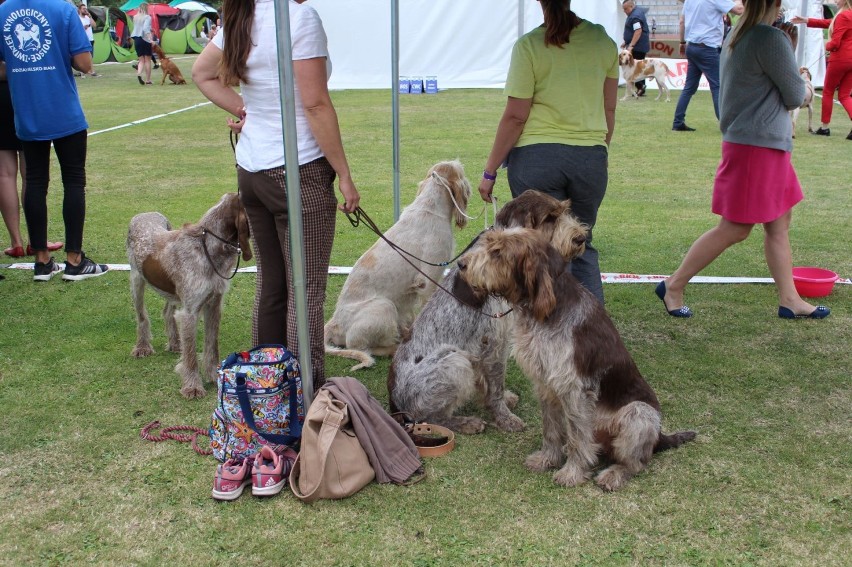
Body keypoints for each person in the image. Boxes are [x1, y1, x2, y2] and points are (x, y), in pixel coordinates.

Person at [192, 0, 360, 389]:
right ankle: (305, 394)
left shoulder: (243, 13)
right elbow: (316, 104)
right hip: (296, 169)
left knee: (273, 285)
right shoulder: (300, 18)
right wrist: (345, 175)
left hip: (253, 171)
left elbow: (203, 73)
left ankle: (266, 388)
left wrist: (249, 111)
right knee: (305, 292)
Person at [656, 0, 830, 321]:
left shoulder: (737, 33)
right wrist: (804, 79)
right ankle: (673, 285)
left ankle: (789, 298)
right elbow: (795, 96)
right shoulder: (769, 38)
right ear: (776, 4)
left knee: (779, 224)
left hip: (758, 145)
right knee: (734, 229)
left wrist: (786, 54)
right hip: (756, 148)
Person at [478, 0, 618, 305]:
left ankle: (542, 326)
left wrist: (489, 172)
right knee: (582, 244)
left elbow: (516, 116)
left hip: (537, 158)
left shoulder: (528, 46)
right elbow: (609, 108)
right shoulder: (602, 41)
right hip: (590, 157)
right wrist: (597, 150)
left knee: (536, 248)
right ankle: (590, 326)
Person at [0, 0, 108, 282]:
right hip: (63, 110)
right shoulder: (63, 9)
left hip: (26, 111)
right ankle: (74, 261)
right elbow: (85, 64)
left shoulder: (2, 12)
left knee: (34, 182)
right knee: (73, 180)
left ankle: (42, 261)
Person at [672, 0, 744, 131]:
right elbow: (739, 10)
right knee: (717, 86)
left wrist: (682, 42)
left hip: (692, 45)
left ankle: (677, 121)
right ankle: (724, 123)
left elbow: (682, 21)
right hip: (708, 47)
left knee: (689, 87)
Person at [791, 0, 852, 139]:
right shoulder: (847, 15)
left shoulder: (843, 16)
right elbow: (830, 23)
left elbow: (835, 42)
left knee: (828, 92)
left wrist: (828, 46)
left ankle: (825, 127)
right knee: (844, 95)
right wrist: (806, 20)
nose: (835, 1)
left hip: (840, 59)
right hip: (851, 60)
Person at [622, 0, 651, 96]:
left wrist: (631, 46)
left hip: (638, 47)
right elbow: (633, 31)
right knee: (637, 67)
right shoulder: (636, 12)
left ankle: (640, 87)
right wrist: (626, 42)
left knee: (636, 67)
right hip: (638, 46)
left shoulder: (635, 16)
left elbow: (638, 31)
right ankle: (640, 87)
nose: (624, 11)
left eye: (625, 8)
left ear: (631, 6)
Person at [130, 2, 153, 85]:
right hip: (145, 39)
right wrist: (151, 39)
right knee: (147, 60)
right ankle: (148, 80)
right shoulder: (147, 17)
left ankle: (139, 73)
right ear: (146, 8)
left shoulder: (135, 17)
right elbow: (146, 29)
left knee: (141, 60)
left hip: (137, 39)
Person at [77, 4, 99, 77]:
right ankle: (82, 72)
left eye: (85, 9)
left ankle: (91, 71)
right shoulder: (78, 18)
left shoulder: (87, 17)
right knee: (83, 56)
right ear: (79, 10)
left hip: (90, 39)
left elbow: (94, 26)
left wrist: (90, 16)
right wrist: (83, 28)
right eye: (83, 9)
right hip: (83, 39)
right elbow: (76, 30)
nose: (85, 10)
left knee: (91, 56)